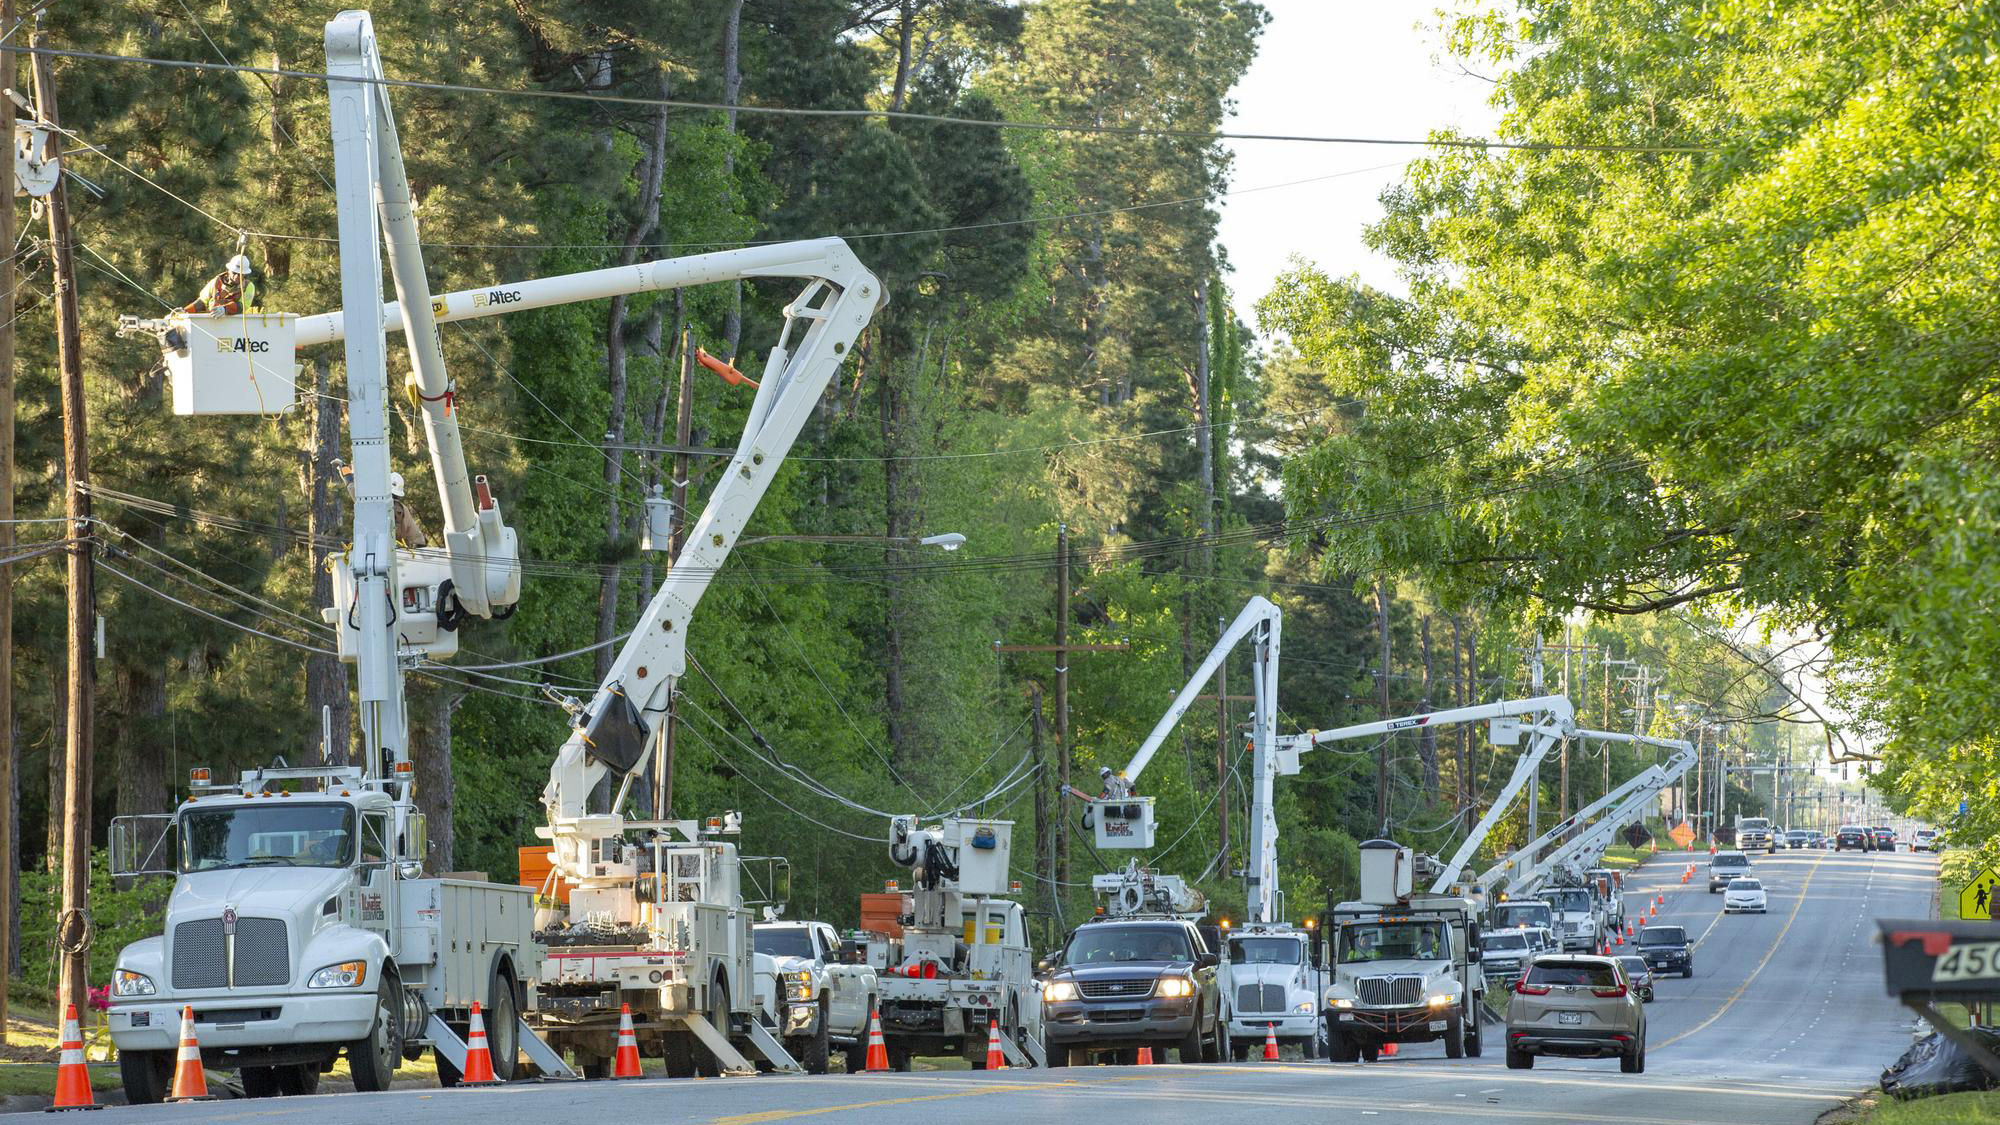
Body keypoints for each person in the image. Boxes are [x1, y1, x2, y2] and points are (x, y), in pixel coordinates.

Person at [186, 253, 260, 316]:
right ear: (229, 270)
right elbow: (202, 302)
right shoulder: (216, 282)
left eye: (240, 274)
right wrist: (185, 311)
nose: (237, 277)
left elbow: (242, 306)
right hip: (212, 321)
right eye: (234, 273)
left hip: (235, 323)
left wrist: (225, 309)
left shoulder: (248, 286)